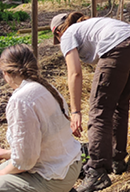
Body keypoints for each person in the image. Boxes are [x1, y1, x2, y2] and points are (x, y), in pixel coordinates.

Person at [51, 12, 130, 192]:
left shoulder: (67, 34)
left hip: (121, 47)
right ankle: (116, 159)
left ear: (58, 32)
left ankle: (96, 171)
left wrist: (75, 111)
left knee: (99, 112)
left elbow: (74, 73)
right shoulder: (91, 26)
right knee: (120, 104)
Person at [0, 44, 81, 192]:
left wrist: (2, 173)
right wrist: (6, 153)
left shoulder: (20, 101)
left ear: (6, 73)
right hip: (69, 164)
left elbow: (25, 161)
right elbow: (39, 144)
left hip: (55, 176)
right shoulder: (44, 87)